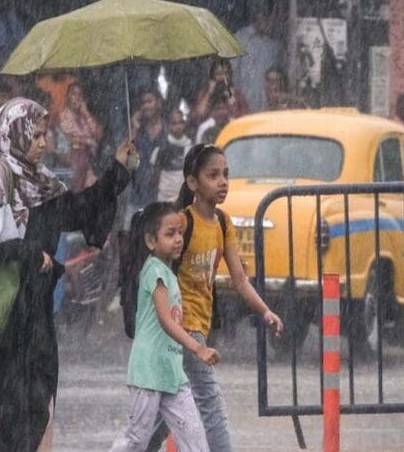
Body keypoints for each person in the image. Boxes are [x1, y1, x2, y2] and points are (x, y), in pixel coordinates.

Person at [0, 98, 134, 452]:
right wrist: (28, 253)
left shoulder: (43, 184)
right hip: (2, 316)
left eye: (44, 135)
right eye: (35, 135)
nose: (43, 143)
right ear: (13, 135)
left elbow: (80, 209)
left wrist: (118, 169)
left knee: (38, 404)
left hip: (35, 316)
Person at [146, 144, 284, 452]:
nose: (222, 182)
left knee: (167, 410)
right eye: (213, 175)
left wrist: (265, 312)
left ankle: (135, 447)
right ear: (193, 183)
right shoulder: (181, 222)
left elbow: (238, 279)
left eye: (225, 174)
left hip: (197, 328)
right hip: (182, 327)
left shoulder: (223, 223)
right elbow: (156, 270)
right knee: (209, 404)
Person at [109, 202, 217, 452]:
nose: (178, 239)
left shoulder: (169, 273)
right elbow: (167, 322)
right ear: (150, 241)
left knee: (195, 438)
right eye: (170, 234)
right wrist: (197, 348)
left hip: (171, 372)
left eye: (180, 232)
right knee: (136, 439)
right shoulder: (154, 271)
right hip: (148, 372)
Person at [127, 88, 168, 226]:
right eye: (143, 103)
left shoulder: (168, 131)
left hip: (163, 197)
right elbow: (129, 163)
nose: (146, 106)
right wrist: (134, 128)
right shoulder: (138, 133)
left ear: (159, 103)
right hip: (138, 197)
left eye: (149, 101)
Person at [233, 8, 283, 112]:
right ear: (257, 18)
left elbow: (278, 72)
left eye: (271, 20)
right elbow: (233, 68)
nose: (269, 23)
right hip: (244, 102)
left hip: (267, 104)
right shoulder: (241, 37)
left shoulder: (274, 43)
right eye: (266, 19)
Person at [59, 81, 103, 192]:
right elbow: (68, 137)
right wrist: (88, 141)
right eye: (74, 94)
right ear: (67, 96)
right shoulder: (63, 115)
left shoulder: (83, 117)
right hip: (72, 159)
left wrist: (86, 113)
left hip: (88, 161)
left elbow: (98, 134)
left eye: (80, 95)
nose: (77, 98)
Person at [189, 58, 249, 128]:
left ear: (230, 75)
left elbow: (244, 120)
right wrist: (209, 93)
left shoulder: (237, 95)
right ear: (212, 76)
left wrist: (232, 101)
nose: (223, 78)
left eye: (226, 73)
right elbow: (197, 117)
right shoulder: (204, 94)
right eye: (219, 74)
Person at [151, 109, 193, 202]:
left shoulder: (190, 146)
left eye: (180, 123)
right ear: (168, 125)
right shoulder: (162, 148)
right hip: (165, 197)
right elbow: (155, 174)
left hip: (183, 197)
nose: (178, 127)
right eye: (174, 123)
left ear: (184, 124)